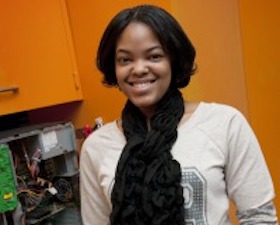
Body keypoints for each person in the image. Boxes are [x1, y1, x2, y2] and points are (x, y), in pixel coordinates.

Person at [80, 4, 278, 225]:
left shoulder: (225, 123)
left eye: (154, 56)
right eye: (125, 60)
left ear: (173, 60)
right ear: (113, 67)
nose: (138, 69)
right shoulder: (96, 147)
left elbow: (259, 217)